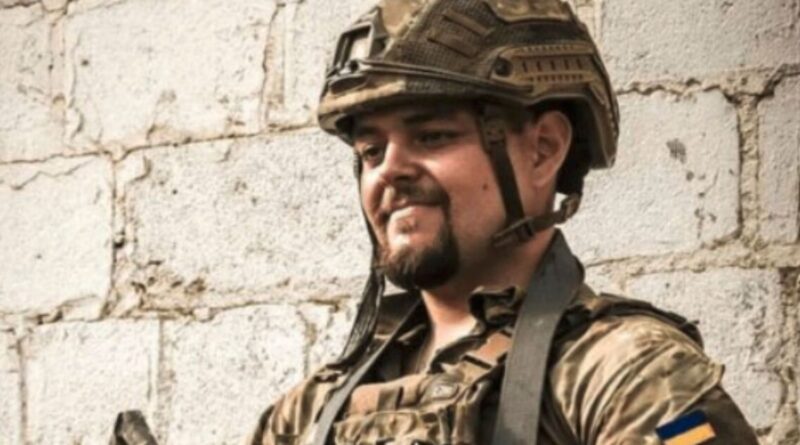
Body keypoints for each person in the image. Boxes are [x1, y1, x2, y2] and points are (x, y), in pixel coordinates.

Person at [248, 0, 760, 444]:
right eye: (371, 151)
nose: (389, 170)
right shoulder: (305, 415)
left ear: (543, 150)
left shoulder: (632, 378)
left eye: (432, 136)